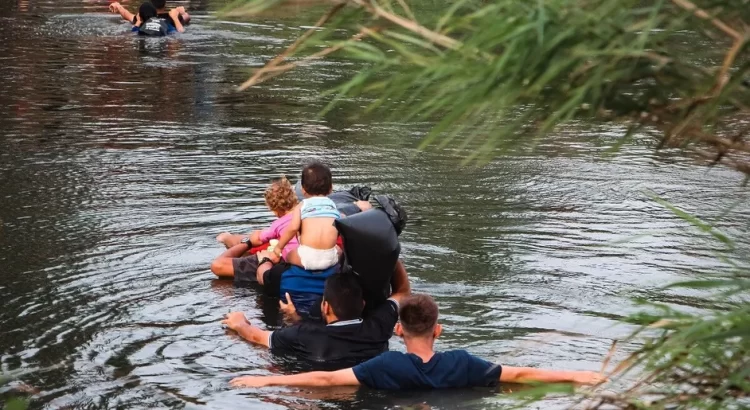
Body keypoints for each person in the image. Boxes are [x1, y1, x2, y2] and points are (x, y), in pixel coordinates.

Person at [230, 294, 606, 389]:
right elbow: (520, 374)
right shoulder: (463, 364)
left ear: (397, 331)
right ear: (438, 330)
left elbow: (325, 380)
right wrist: (576, 376)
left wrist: (264, 380)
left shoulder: (385, 366)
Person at [221, 271, 410, 365]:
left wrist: (239, 322)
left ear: (325, 306)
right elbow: (402, 291)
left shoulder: (302, 335)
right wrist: (391, 253)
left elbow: (256, 337)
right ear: (362, 304)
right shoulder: (379, 326)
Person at [211, 178, 299, 286]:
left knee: (219, 264)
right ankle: (228, 238)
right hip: (302, 258)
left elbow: (257, 239)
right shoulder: (307, 216)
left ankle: (227, 238)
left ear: (273, 209)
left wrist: (249, 241)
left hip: (281, 262)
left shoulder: (278, 224)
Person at [272, 161, 342, 271]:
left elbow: (293, 228)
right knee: (339, 251)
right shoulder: (333, 206)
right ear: (331, 188)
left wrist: (278, 247)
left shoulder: (302, 205)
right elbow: (342, 224)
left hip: (307, 258)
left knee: (289, 254)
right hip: (330, 259)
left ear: (303, 190)